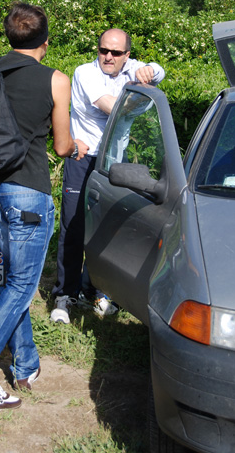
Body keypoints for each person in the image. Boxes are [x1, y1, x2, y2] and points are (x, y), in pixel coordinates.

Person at [0, 3, 89, 410]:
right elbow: (63, 145)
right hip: (29, 194)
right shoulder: (55, 80)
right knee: (20, 287)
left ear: (10, 38)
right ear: (44, 43)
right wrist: (77, 146)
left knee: (16, 280)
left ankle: (26, 364)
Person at [50, 28, 165, 324]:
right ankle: (65, 294)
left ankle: (97, 289)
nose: (108, 57)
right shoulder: (84, 73)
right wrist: (140, 92)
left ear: (126, 55)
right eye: (103, 50)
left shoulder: (131, 68)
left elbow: (159, 71)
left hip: (114, 162)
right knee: (73, 226)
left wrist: (149, 71)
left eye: (115, 53)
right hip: (83, 158)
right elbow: (111, 107)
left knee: (109, 228)